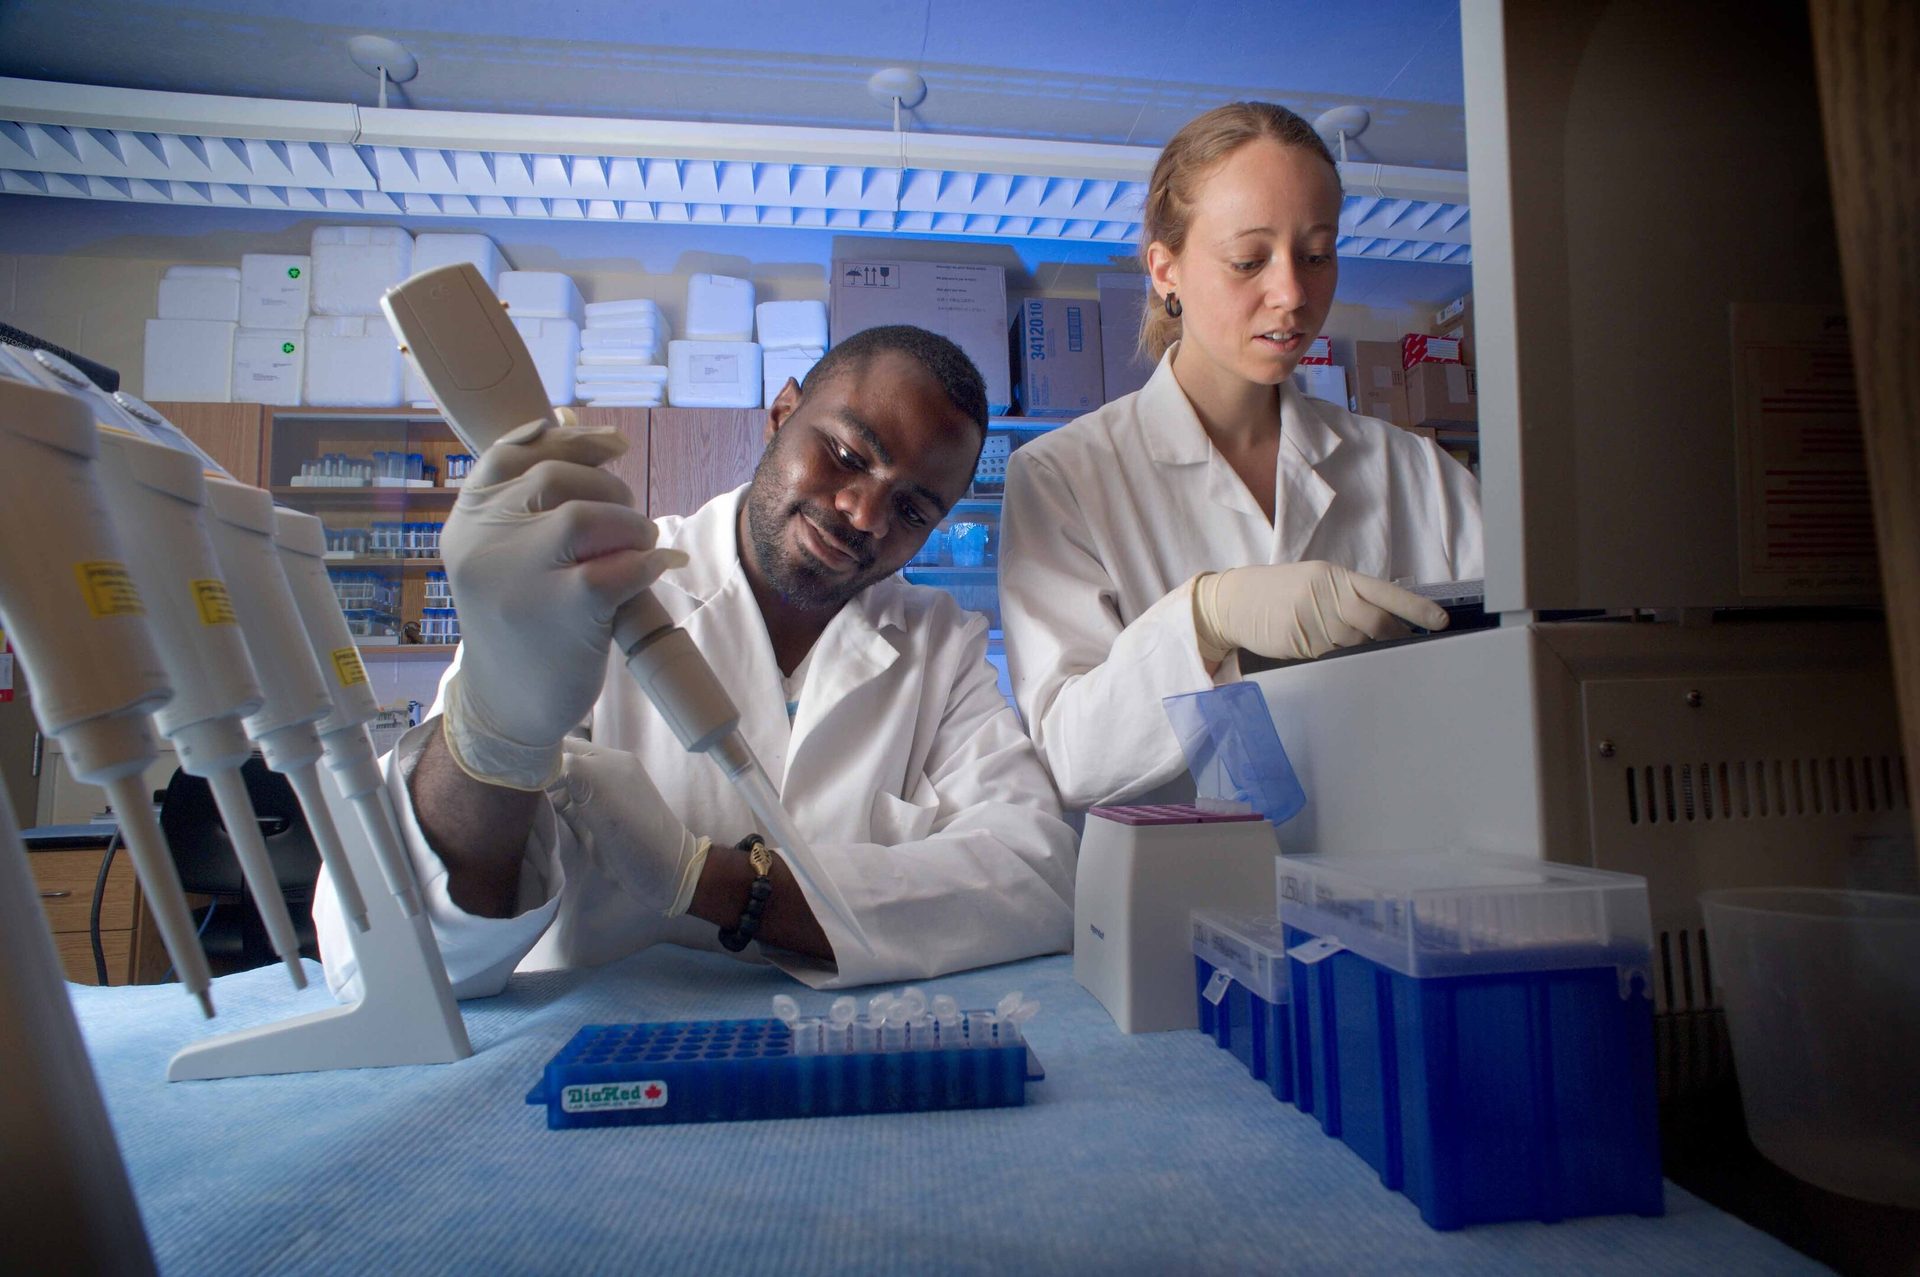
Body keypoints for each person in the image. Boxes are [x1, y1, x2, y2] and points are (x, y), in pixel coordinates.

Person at [316, 326, 1075, 998]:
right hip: (596, 1078)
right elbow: (392, 955)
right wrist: (494, 733)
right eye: (845, 454)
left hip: (834, 1071)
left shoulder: (937, 643)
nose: (865, 515)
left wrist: (702, 878)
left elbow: (1040, 878)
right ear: (782, 413)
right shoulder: (595, 587)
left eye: (913, 510)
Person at [999, 101, 1484, 811]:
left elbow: (1516, 664)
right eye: (1248, 260)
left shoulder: (1414, 472)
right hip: (1183, 895)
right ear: (1165, 269)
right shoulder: (1064, 477)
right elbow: (1070, 756)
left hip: (1400, 875)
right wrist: (1202, 620)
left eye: (1317, 254)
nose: (1291, 293)